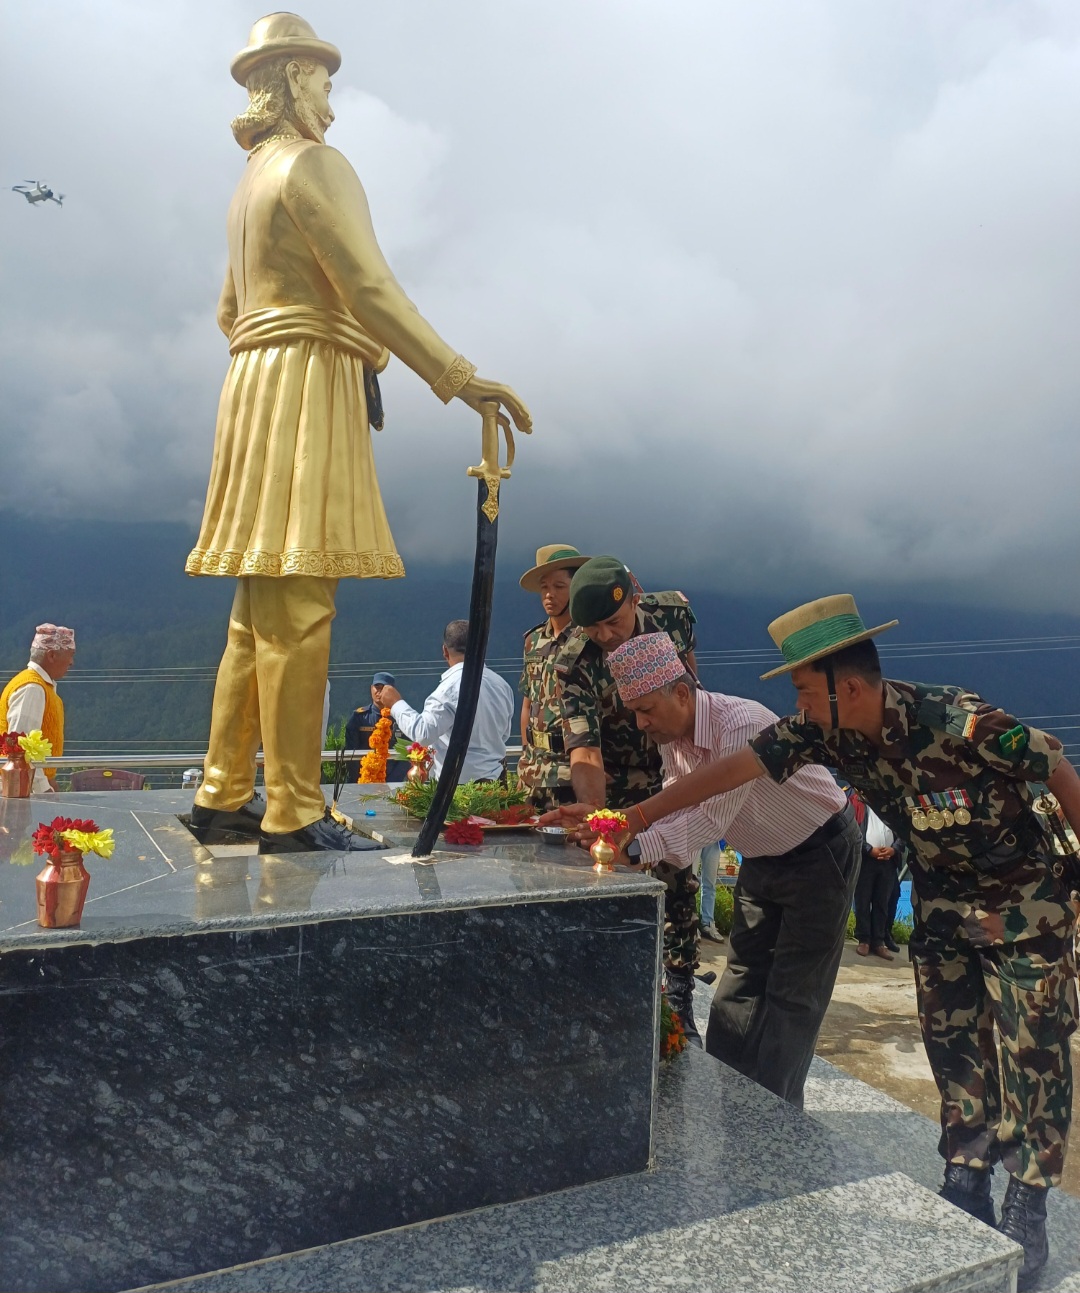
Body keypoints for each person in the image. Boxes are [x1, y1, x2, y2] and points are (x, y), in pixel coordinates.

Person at [593, 594, 1079, 1287]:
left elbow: (1055, 768)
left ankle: (1027, 1208)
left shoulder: (958, 719)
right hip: (943, 898)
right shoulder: (826, 731)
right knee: (953, 1039)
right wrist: (635, 813)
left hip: (1026, 901)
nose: (795, 701)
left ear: (846, 687)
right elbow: (733, 770)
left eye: (800, 686)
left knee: (1031, 1050)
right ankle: (965, 1175)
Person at [185, 14, 531, 854]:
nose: (332, 103)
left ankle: (226, 787)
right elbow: (369, 285)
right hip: (305, 383)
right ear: (295, 79)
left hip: (252, 382)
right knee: (302, 596)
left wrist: (310, 329)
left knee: (256, 600)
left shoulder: (249, 182)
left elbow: (229, 311)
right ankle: (294, 805)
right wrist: (456, 374)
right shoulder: (313, 165)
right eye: (324, 83)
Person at [577, 632, 860, 1107]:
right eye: (636, 713)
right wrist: (613, 830)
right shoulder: (673, 735)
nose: (642, 723)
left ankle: (774, 1116)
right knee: (742, 976)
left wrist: (632, 848)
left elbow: (711, 816)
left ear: (682, 693)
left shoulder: (740, 724)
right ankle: (726, 1093)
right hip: (762, 855)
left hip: (820, 852)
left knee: (793, 993)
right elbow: (678, 793)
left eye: (647, 709)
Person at [556, 556, 702, 1039]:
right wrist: (602, 821)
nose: (603, 635)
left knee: (680, 884)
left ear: (634, 601)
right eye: (591, 627)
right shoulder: (573, 661)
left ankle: (680, 999)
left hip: (677, 767)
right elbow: (585, 750)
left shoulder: (674, 616)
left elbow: (693, 693)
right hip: (616, 778)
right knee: (613, 881)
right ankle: (614, 995)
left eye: (612, 623)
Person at [379, 621, 514, 783]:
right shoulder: (502, 685)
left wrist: (396, 703)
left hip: (458, 788)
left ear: (445, 651)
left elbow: (423, 733)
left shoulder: (448, 689)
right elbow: (504, 733)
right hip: (495, 781)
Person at [517, 544, 590, 811]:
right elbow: (528, 704)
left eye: (559, 586)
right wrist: (526, 755)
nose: (549, 594)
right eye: (544, 587)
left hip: (573, 771)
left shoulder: (590, 638)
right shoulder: (533, 641)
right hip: (533, 772)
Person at [0, 624, 76, 793]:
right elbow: (21, 745)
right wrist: (44, 788)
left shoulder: (38, 685)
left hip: (25, 785)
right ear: (51, 655)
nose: (71, 662)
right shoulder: (32, 688)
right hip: (22, 789)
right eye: (70, 655)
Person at [852, 795, 900, 960]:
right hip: (866, 860)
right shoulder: (857, 803)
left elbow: (904, 831)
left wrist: (894, 849)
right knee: (863, 900)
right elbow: (853, 831)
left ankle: (879, 942)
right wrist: (868, 849)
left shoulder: (893, 803)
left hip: (888, 861)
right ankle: (864, 940)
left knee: (882, 902)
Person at [344, 672, 407, 783]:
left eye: (383, 688)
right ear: (371, 688)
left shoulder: (400, 718)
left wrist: (392, 781)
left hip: (391, 781)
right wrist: (362, 778)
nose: (379, 691)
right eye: (376, 687)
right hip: (362, 778)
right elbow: (350, 752)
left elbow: (406, 755)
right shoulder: (359, 717)